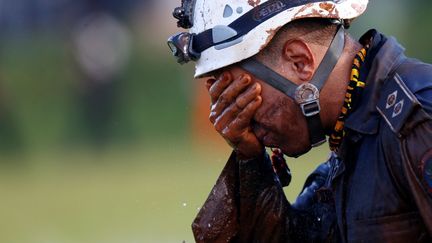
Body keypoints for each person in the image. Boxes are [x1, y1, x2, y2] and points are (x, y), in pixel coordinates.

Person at [167, 0, 432, 242]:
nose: (244, 122)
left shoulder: (418, 118)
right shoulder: (352, 136)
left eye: (243, 95)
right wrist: (250, 159)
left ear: (299, 61)